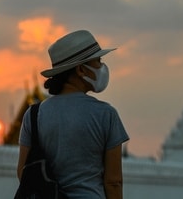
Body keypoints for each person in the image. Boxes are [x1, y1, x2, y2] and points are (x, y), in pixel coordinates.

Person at [17, 30, 129, 199]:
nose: (101, 67)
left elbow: (23, 172)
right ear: (81, 70)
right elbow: (113, 182)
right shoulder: (106, 115)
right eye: (98, 61)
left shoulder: (33, 115)